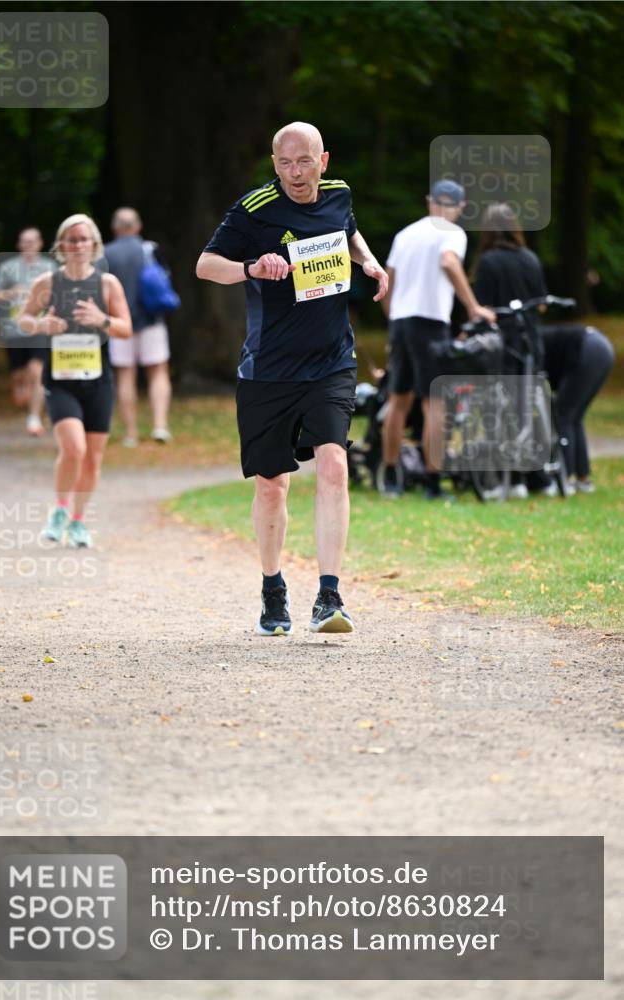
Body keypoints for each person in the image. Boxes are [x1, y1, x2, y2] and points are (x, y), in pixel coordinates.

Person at [196, 121, 387, 636]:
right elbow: (205, 265)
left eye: (304, 162)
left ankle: (329, 596)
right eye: (284, 163)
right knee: (271, 486)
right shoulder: (254, 209)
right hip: (269, 370)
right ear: (273, 163)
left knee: (333, 465)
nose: (295, 173)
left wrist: (368, 262)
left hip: (331, 362)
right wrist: (253, 268)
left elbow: (347, 232)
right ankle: (272, 587)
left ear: (324, 161)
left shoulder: (339, 194)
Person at [19, 214, 132, 547]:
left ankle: (79, 521)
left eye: (84, 239)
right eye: (72, 239)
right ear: (61, 246)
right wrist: (42, 325)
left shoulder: (108, 284)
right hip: (61, 379)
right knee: (74, 449)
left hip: (98, 380)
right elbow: (24, 319)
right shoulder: (48, 283)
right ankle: (60, 509)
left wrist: (102, 320)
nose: (78, 245)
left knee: (93, 457)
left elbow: (126, 329)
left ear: (94, 245)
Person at [380, 180, 496, 499]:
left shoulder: (405, 234)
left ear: (430, 201)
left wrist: (393, 317)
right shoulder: (452, 232)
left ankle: (390, 476)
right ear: (458, 206)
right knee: (435, 403)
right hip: (430, 323)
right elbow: (448, 262)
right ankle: (433, 481)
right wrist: (473, 307)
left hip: (401, 323)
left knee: (398, 401)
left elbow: (387, 280)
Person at [471, 201, 590, 497]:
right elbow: (543, 303)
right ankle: (542, 475)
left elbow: (482, 308)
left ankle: (515, 479)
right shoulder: (530, 259)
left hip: (504, 344)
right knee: (531, 408)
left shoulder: (487, 262)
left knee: (505, 409)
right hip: (531, 343)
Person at [104, 208, 174, 446]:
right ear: (137, 226)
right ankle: (160, 426)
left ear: (115, 228)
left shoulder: (105, 254)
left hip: (119, 324)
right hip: (152, 320)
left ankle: (131, 434)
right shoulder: (150, 249)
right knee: (158, 372)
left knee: (125, 376)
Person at [0, 227, 57, 436]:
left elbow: (60, 292)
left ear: (40, 243)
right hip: (14, 330)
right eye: (24, 242)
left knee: (37, 371)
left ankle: (34, 418)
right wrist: (11, 293)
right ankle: (21, 389)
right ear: (19, 245)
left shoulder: (50, 267)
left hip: (40, 328)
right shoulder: (9, 267)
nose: (28, 245)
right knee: (19, 376)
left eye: (32, 241)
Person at [542, 324, 614, 492]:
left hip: (587, 348)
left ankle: (563, 478)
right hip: (601, 346)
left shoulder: (527, 347)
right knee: (573, 416)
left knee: (562, 414)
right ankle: (582, 479)